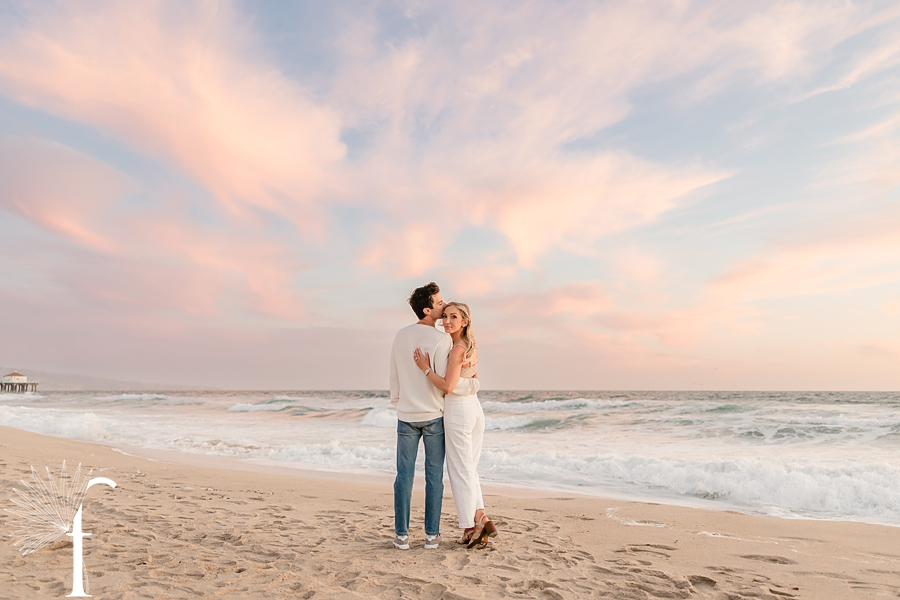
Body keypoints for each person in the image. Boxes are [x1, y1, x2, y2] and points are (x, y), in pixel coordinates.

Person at [389, 283, 481, 550]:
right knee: (433, 476)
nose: (443, 308)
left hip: (406, 414)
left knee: (403, 476)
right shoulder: (442, 340)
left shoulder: (400, 336)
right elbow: (444, 383)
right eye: (439, 304)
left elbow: (394, 375)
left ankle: (402, 536)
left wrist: (400, 402)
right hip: (433, 416)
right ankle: (431, 537)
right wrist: (473, 385)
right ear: (428, 310)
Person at [413, 301, 498, 549]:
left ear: (465, 321)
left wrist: (425, 369)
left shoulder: (456, 350)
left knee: (460, 471)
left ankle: (469, 528)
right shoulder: (471, 347)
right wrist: (472, 386)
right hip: (474, 409)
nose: (447, 321)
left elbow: (448, 386)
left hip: (460, 412)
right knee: (469, 468)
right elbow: (474, 380)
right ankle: (481, 516)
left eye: (454, 317)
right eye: (446, 317)